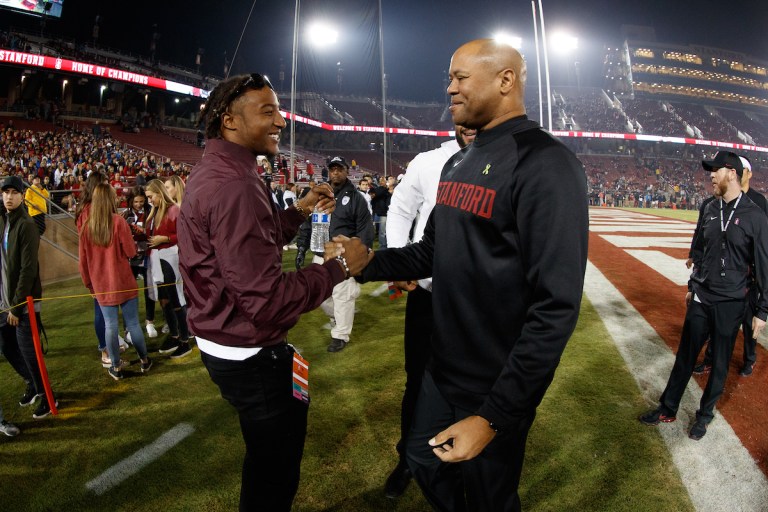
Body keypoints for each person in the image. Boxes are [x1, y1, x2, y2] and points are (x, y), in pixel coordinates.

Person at [333, 40, 588, 511]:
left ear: (505, 80)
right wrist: (372, 264)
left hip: (493, 379)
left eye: (460, 77)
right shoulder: (459, 161)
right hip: (442, 365)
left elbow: (556, 307)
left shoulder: (546, 164)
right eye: (449, 78)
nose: (449, 89)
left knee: (490, 495)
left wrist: (495, 416)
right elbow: (433, 251)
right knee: (421, 457)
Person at [177, 72, 368, 512]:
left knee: (263, 461)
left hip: (222, 339)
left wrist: (297, 212)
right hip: (250, 353)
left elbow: (241, 246)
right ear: (229, 120)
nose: (281, 121)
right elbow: (267, 302)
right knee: (274, 477)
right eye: (268, 111)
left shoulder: (218, 170)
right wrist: (339, 267)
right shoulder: (236, 184)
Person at [640, 151, 768, 441]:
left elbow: (764, 265)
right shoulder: (708, 208)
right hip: (701, 295)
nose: (710, 175)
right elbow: (699, 249)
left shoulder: (755, 216)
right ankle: (667, 407)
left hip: (731, 301)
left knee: (720, 362)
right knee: (685, 355)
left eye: (715, 170)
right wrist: (691, 285)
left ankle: (704, 416)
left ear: (732, 173)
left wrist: (762, 311)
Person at [382, 124, 476, 498]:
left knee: (472, 385)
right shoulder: (429, 161)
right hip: (429, 296)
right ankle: (408, 457)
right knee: (417, 380)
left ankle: (463, 459)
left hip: (477, 302)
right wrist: (399, 261)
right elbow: (401, 209)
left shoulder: (507, 160)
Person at [689, 155, 768, 377]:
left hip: (748, 280)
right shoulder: (717, 202)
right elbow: (702, 236)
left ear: (745, 174)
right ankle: (710, 359)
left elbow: (762, 244)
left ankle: (749, 359)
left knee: (748, 323)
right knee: (719, 325)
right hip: (724, 281)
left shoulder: (758, 203)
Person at [298, 156, 373, 353]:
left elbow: (365, 228)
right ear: (328, 172)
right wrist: (300, 248)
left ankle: (340, 335)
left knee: (342, 296)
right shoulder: (320, 196)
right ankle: (339, 318)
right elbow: (307, 223)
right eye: (333, 169)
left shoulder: (357, 198)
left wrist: (362, 253)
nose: (336, 173)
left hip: (343, 254)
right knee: (320, 296)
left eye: (340, 169)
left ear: (347, 171)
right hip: (320, 253)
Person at [0, 176, 61, 419]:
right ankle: (34, 385)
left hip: (22, 302)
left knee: (29, 351)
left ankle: (48, 395)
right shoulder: (6, 220)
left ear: (22, 195)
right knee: (7, 346)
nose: (9, 197)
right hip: (7, 301)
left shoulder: (25, 224)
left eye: (14, 192)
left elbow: (27, 270)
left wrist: (15, 306)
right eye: (5, 192)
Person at [79, 183, 152, 380]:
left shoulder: (87, 226)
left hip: (101, 285)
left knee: (110, 326)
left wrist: (89, 285)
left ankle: (116, 366)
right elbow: (131, 251)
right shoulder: (118, 222)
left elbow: (83, 262)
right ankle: (144, 360)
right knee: (133, 324)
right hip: (124, 281)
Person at [145, 179, 192, 359]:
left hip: (171, 258)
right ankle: (174, 335)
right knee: (164, 300)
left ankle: (184, 341)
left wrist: (164, 239)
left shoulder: (174, 210)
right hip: (157, 259)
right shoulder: (154, 211)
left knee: (176, 299)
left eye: (151, 197)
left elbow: (183, 235)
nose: (150, 200)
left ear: (159, 193)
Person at [122, 186, 159, 339]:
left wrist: (144, 233)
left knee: (150, 290)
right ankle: (129, 327)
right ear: (130, 201)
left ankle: (150, 321)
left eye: (141, 201)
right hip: (131, 258)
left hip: (148, 255)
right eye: (136, 201)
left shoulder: (152, 212)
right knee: (129, 293)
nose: (138, 204)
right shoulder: (125, 215)